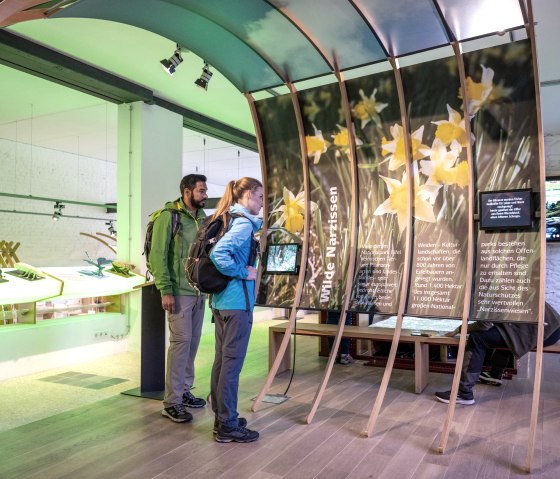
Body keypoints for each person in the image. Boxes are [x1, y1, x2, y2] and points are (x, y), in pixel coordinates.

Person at [149, 174, 209, 422]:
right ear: (187, 192)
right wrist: (165, 290)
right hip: (178, 293)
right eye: (201, 191)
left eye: (205, 191)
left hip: (198, 292)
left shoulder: (202, 218)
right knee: (181, 344)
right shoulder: (168, 217)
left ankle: (184, 391)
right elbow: (157, 255)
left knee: (192, 344)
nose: (205, 195)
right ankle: (171, 402)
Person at [209, 177, 263, 443]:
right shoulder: (242, 224)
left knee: (222, 362)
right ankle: (228, 425)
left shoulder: (228, 218)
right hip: (236, 305)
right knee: (231, 366)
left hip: (221, 303)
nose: (262, 203)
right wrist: (245, 273)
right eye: (261, 197)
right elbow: (218, 255)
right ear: (249, 195)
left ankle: (223, 416)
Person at [435, 301, 560, 405]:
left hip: (544, 331)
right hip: (554, 326)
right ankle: (495, 374)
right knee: (503, 331)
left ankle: (464, 393)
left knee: (477, 338)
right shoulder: (506, 279)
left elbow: (484, 324)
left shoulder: (487, 285)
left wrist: (460, 329)